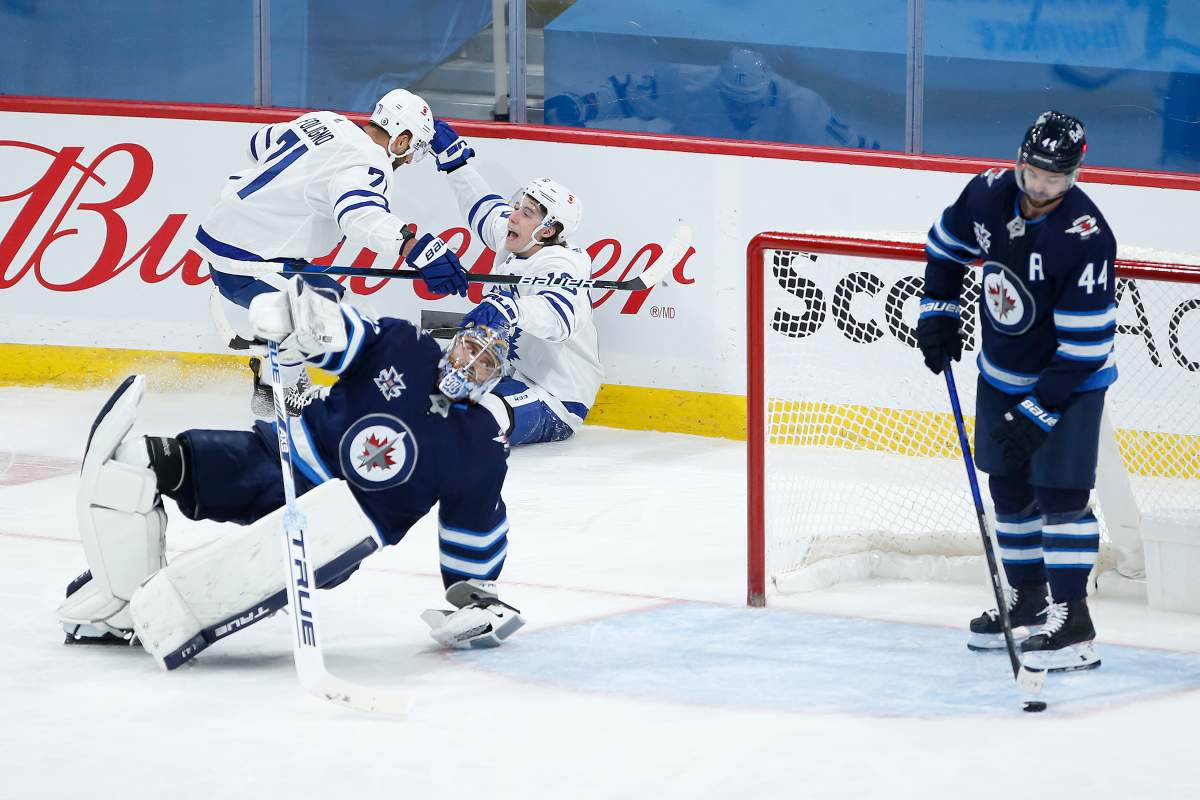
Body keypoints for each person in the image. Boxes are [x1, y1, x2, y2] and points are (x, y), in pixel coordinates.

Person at [55, 277, 524, 668]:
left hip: (333, 531)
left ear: (496, 377)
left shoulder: (481, 446)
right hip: (273, 460)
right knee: (137, 462)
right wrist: (299, 314)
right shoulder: (406, 346)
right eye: (469, 348)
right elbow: (343, 335)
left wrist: (479, 598)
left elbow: (474, 524)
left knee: (201, 581)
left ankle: (135, 603)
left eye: (487, 363)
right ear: (455, 341)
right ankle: (119, 603)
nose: (470, 364)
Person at [916, 111, 1116, 672]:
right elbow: (945, 247)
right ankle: (1027, 600)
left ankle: (1072, 620)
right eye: (1034, 173)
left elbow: (1084, 349)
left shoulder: (1086, 236)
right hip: (1000, 375)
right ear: (1020, 160)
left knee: (1060, 496)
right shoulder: (985, 193)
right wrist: (939, 308)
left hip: (1069, 385)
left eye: (1056, 179)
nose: (1041, 188)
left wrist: (1040, 410)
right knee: (1007, 488)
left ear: (1075, 175)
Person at [193, 88, 470, 417]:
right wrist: (415, 246)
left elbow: (257, 142)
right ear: (400, 139)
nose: (410, 159)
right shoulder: (368, 162)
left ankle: (272, 389)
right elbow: (358, 214)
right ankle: (282, 394)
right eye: (414, 149)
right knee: (351, 322)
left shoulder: (325, 121)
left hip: (232, 241)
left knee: (329, 305)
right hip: (250, 261)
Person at [423, 118, 603, 445]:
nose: (514, 215)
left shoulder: (565, 263)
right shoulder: (515, 236)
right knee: (433, 395)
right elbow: (481, 206)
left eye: (527, 212)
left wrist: (510, 308)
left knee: (479, 418)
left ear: (548, 230)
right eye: (518, 206)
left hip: (558, 396)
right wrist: (454, 161)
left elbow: (559, 317)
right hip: (511, 376)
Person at [544, 47, 881, 150]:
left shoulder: (803, 106)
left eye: (750, 102)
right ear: (719, 88)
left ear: (768, 92)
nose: (743, 110)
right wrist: (580, 103)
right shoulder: (687, 82)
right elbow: (626, 93)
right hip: (691, 176)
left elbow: (856, 147)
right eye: (735, 101)